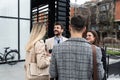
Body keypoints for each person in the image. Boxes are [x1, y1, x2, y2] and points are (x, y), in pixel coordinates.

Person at [49, 15, 104, 80]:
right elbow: (100, 76)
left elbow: (52, 74)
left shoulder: (57, 48)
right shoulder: (95, 50)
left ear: (70, 27)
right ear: (84, 29)